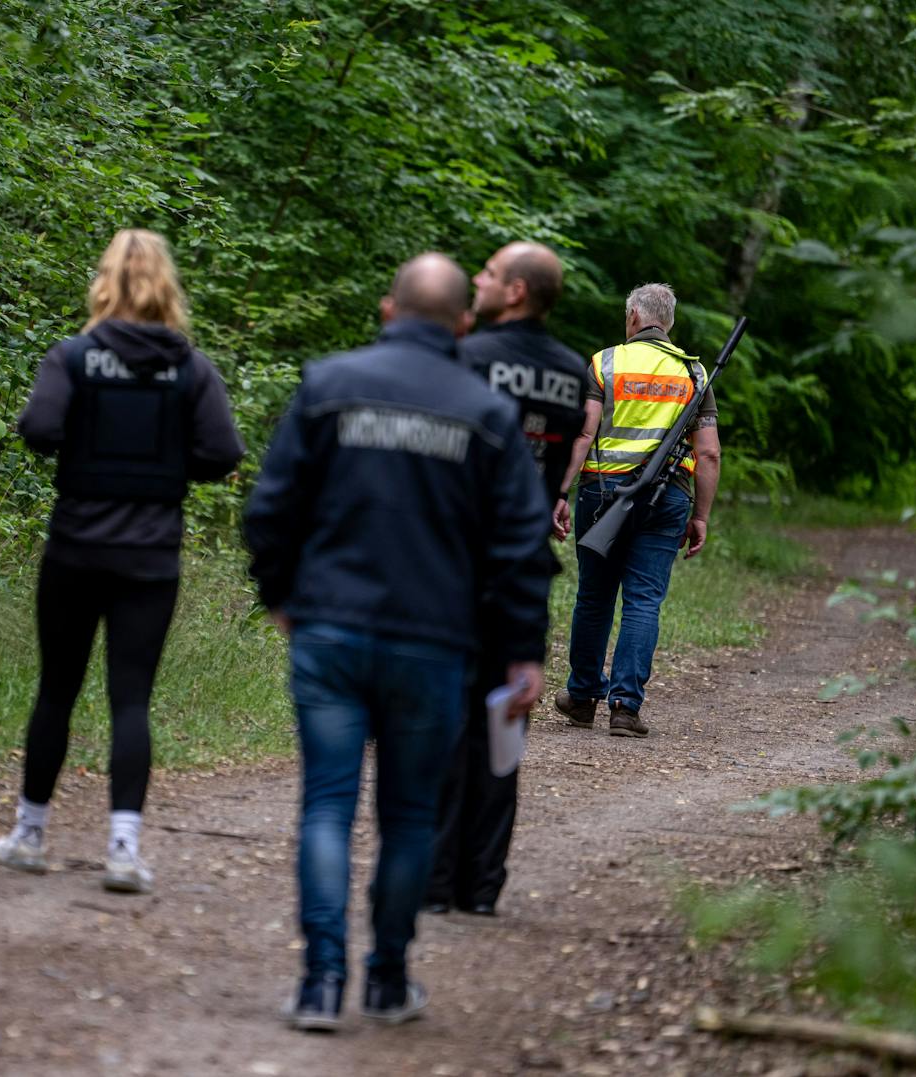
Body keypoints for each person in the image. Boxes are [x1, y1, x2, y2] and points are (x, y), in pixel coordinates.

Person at [244, 253, 553, 1032]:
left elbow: (271, 506)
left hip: (332, 632)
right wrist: (523, 652)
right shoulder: (485, 414)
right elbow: (521, 545)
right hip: (434, 641)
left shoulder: (328, 385)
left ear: (388, 311)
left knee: (326, 804)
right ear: (462, 323)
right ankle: (385, 980)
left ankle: (319, 982)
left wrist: (281, 596)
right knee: (409, 816)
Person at [0, 229, 244, 894]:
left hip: (75, 545)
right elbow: (223, 453)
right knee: (131, 697)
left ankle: (30, 833)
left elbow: (38, 431)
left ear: (104, 280)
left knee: (56, 690)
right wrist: (164, 465)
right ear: (166, 285)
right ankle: (123, 847)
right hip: (151, 555)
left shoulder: (73, 356)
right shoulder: (189, 367)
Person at [426, 242, 586, 918]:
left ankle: (433, 882)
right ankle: (482, 884)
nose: (480, 283)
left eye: (489, 275)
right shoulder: (574, 373)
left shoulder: (467, 360)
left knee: (443, 723)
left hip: (454, 564)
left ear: (515, 291)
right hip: (524, 570)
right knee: (503, 726)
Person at [551, 283, 722, 738]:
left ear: (632, 317)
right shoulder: (695, 373)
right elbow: (709, 454)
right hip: (668, 500)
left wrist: (560, 491)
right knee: (644, 600)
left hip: (602, 494)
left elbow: (584, 435)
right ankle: (625, 708)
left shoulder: (605, 362)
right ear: (668, 322)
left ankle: (583, 696)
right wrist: (701, 515)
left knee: (594, 596)